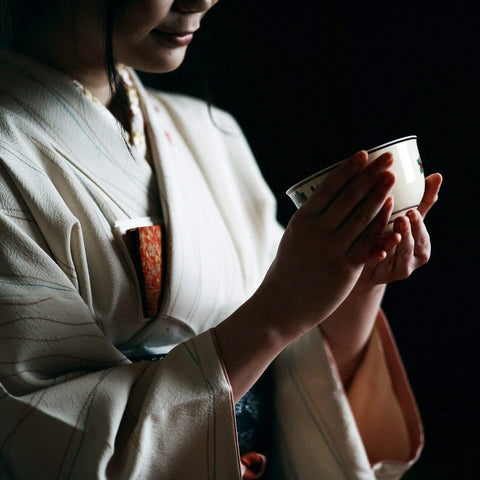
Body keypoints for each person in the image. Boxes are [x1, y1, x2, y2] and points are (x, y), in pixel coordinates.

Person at [0, 1, 443, 479]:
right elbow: (44, 445)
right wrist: (278, 313)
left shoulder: (211, 134)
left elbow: (299, 366)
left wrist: (357, 280)